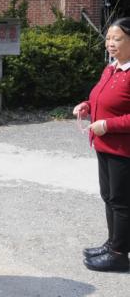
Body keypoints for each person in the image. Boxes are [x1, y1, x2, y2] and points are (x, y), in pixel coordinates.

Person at [74, 16, 130, 273]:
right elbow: (100, 98)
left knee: (122, 201)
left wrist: (108, 125)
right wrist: (87, 106)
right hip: (104, 146)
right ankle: (113, 244)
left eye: (117, 38)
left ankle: (119, 254)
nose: (110, 43)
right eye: (108, 38)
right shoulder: (111, 68)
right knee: (109, 197)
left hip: (124, 150)